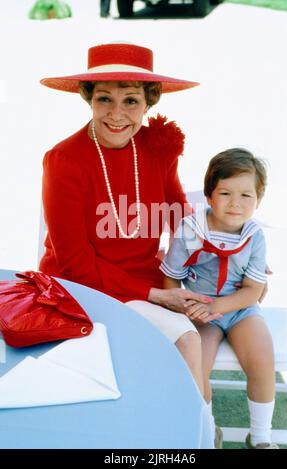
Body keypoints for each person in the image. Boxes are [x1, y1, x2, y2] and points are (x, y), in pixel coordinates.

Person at [39, 42, 219, 447]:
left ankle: (190, 432)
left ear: (149, 102)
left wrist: (229, 257)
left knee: (205, 325)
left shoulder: (156, 148)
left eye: (131, 100)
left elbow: (179, 218)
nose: (117, 114)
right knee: (185, 338)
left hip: (144, 279)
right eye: (104, 99)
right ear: (88, 98)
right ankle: (195, 438)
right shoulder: (64, 160)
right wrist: (156, 294)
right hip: (82, 286)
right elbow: (76, 262)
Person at [160, 148, 279, 449]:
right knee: (197, 366)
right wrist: (185, 307)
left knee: (263, 359)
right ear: (209, 195)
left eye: (246, 195)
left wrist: (218, 306)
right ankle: (210, 429)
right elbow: (171, 275)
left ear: (258, 200)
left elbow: (252, 290)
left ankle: (261, 437)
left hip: (240, 308)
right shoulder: (191, 229)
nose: (235, 203)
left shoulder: (255, 236)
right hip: (199, 309)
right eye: (225, 193)